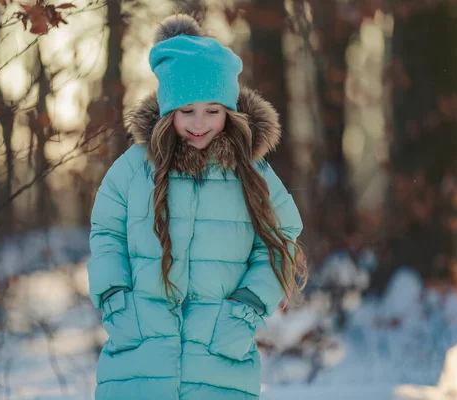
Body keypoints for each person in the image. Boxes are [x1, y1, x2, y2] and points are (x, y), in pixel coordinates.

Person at [87, 14, 308, 400]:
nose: (200, 123)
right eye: (186, 111)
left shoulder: (251, 173)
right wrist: (115, 301)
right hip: (140, 353)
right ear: (168, 111)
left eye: (213, 110)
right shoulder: (132, 169)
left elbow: (282, 237)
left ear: (230, 110)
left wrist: (246, 310)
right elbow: (106, 233)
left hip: (218, 354)